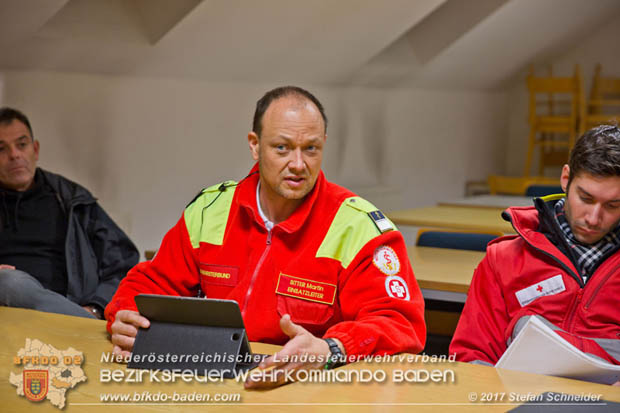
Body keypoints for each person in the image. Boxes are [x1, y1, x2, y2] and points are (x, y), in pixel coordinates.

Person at [105, 86, 426, 388]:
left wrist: (332, 349)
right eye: (282, 148)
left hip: (306, 391)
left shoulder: (360, 228)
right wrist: (125, 317)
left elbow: (399, 323)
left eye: (311, 149)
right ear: (255, 144)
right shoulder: (210, 209)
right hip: (211, 383)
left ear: (324, 144)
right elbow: (149, 284)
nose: (298, 165)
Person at [450, 125, 620, 374]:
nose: (594, 218)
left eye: (613, 205)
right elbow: (471, 356)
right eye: (585, 198)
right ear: (565, 178)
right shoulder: (504, 260)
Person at [0, 107, 139, 319]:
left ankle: (76, 318)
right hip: (8, 311)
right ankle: (78, 320)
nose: (14, 155)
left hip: (72, 306)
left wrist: (96, 306)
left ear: (35, 150)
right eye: (1, 149)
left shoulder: (72, 199)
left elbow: (123, 261)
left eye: (22, 144)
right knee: (9, 282)